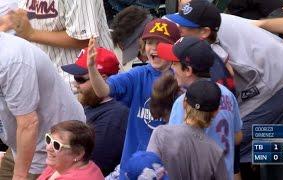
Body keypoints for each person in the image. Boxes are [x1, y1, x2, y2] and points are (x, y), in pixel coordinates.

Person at [167, 0, 283, 166]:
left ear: (204, 31)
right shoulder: (210, 24)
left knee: (229, 137)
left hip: (277, 81)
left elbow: (226, 85)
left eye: (186, 26)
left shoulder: (214, 46)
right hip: (271, 72)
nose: (180, 29)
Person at [87, 18, 180, 178]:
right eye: (150, 42)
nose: (154, 48)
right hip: (131, 168)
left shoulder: (182, 77)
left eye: (161, 43)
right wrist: (92, 68)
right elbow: (103, 91)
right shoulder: (139, 74)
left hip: (164, 170)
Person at [0, 32, 86, 180]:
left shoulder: (11, 59)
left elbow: (29, 124)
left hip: (52, 146)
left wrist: (20, 176)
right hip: (19, 143)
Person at [156, 36, 242, 180]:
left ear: (188, 70)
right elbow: (238, 137)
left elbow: (173, 150)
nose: (171, 67)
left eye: (174, 63)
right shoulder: (226, 94)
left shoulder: (184, 102)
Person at [6, 0, 114, 89]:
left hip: (86, 82)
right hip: (50, 82)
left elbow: (85, 39)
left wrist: (31, 34)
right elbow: (25, 19)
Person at [61, 47, 129, 176]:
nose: (75, 84)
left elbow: (93, 166)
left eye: (80, 79)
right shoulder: (91, 102)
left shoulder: (114, 116)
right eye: (75, 78)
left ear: (101, 78)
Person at [147, 79, 228, 180]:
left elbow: (147, 172)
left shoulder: (161, 134)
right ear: (216, 112)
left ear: (184, 103)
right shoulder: (216, 153)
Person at [37, 120, 104, 180]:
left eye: (56, 145)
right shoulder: (60, 164)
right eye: (49, 139)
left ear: (78, 154)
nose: (48, 148)